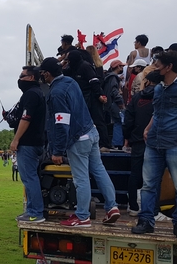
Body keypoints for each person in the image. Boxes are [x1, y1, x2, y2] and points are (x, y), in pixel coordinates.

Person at [41, 57, 120, 227]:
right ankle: (112, 206)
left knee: (81, 178)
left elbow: (62, 124)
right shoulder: (70, 81)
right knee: (99, 170)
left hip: (77, 138)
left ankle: (83, 216)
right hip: (91, 131)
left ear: (47, 74)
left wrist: (57, 151)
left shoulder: (56, 93)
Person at [131, 51, 177, 240]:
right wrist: (148, 128)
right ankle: (146, 221)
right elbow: (157, 112)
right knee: (148, 185)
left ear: (169, 67)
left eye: (158, 64)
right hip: (153, 143)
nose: (155, 67)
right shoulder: (158, 88)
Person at [8, 65, 46, 222]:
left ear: (31, 78)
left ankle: (36, 212)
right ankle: (31, 209)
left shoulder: (30, 94)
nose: (19, 79)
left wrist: (16, 139)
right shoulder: (38, 93)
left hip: (28, 142)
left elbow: (26, 118)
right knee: (31, 177)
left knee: (29, 178)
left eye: (22, 76)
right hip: (37, 141)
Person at [123, 71, 161, 217]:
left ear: (147, 82)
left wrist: (127, 137)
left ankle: (132, 206)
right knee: (154, 176)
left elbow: (128, 119)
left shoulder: (137, 97)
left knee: (135, 174)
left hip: (137, 140)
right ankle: (154, 210)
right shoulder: (162, 96)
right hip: (156, 141)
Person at [64, 50, 112, 151]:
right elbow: (61, 72)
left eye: (69, 59)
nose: (67, 61)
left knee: (98, 120)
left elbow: (94, 81)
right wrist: (62, 63)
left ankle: (105, 144)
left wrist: (99, 95)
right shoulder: (71, 67)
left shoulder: (85, 66)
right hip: (81, 98)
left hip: (92, 97)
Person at [103, 60, 126, 148]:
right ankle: (117, 143)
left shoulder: (108, 77)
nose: (122, 68)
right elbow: (114, 91)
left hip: (108, 103)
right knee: (118, 122)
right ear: (117, 67)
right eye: (121, 66)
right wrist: (120, 102)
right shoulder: (113, 77)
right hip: (114, 103)